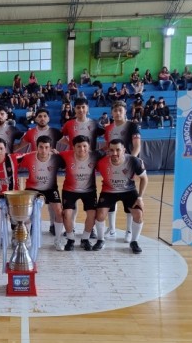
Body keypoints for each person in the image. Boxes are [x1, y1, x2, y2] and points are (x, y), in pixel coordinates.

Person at [94, 139, 148, 254]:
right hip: (108, 191)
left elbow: (144, 178)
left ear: (123, 150)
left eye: (118, 150)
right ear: (108, 151)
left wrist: (140, 198)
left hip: (129, 191)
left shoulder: (133, 161)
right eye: (111, 150)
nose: (114, 153)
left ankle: (134, 241)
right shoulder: (101, 162)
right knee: (99, 215)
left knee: (138, 214)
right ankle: (100, 240)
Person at [103, 100, 142, 239]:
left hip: (127, 168)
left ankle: (129, 231)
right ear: (112, 112)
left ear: (125, 111)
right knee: (111, 195)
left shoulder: (132, 125)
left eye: (120, 110)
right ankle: (112, 229)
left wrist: (131, 162)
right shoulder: (108, 128)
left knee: (128, 198)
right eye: (115, 110)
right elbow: (107, 147)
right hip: (111, 166)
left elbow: (137, 146)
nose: (118, 113)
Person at [18, 135, 66, 250]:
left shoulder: (56, 158)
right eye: (41, 147)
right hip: (33, 188)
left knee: (59, 212)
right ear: (37, 147)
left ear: (50, 148)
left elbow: (66, 164)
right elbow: (15, 162)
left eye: (46, 147)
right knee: (27, 212)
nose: (43, 150)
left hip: (50, 189)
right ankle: (27, 237)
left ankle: (58, 239)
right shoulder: (29, 157)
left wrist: (58, 154)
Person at [59, 135, 104, 251]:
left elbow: (109, 151)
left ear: (89, 147)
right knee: (67, 214)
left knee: (92, 214)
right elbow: (52, 156)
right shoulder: (65, 155)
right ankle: (70, 239)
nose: (82, 149)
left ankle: (85, 239)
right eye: (78, 146)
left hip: (89, 191)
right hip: (69, 190)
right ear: (73, 147)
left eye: (84, 146)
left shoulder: (95, 155)